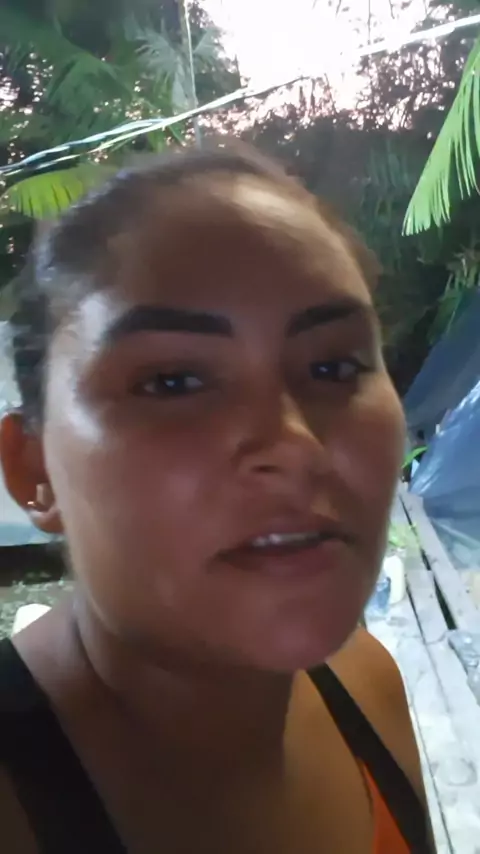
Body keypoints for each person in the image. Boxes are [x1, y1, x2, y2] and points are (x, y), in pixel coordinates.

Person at [0, 145, 435, 853]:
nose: (294, 445)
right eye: (172, 382)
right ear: (32, 468)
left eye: (333, 366)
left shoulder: (367, 686)